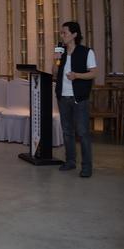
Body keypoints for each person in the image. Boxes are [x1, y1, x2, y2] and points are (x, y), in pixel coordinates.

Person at [53, 21, 97, 178]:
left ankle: (86, 166)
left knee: (83, 132)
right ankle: (70, 161)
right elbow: (55, 73)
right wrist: (56, 60)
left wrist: (77, 75)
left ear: (74, 34)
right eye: (61, 33)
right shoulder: (61, 52)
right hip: (63, 97)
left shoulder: (86, 52)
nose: (62, 35)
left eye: (64, 32)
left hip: (79, 98)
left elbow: (93, 73)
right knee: (67, 132)